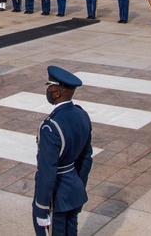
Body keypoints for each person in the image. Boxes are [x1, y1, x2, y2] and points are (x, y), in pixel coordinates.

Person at [32, 66, 93, 235]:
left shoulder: (50, 127)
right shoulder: (82, 115)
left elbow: (47, 171)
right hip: (73, 188)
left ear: (57, 92)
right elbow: (86, 157)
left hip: (56, 197)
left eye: (50, 86)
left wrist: (42, 207)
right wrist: (79, 186)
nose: (48, 90)